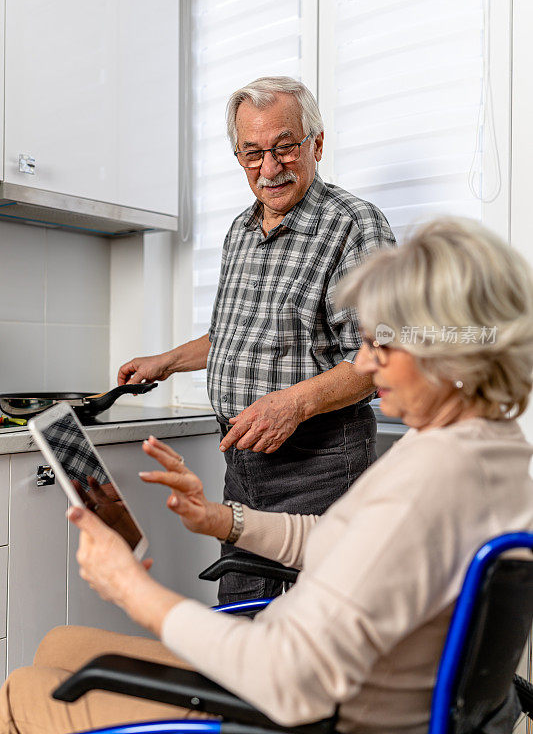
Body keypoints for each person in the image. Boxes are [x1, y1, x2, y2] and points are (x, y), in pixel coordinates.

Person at [3, 217, 533, 734]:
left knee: (20, 689)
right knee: (58, 647)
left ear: (451, 353)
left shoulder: (429, 483)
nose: (365, 365)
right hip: (312, 677)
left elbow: (286, 676)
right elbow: (349, 543)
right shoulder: (488, 447)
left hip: (290, 706)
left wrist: (130, 588)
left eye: (381, 346)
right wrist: (223, 520)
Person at [118, 76, 396, 603]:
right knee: (242, 617)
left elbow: (380, 357)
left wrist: (293, 403)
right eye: (253, 153)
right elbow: (236, 336)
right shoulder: (240, 231)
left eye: (285, 148)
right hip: (243, 465)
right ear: (238, 156)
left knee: (314, 630)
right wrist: (168, 361)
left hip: (320, 466)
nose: (269, 168)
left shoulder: (355, 225)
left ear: (316, 143)